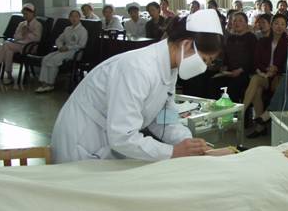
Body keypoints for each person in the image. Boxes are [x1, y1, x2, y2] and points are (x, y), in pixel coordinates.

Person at [51, 9, 225, 163]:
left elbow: (165, 118)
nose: (204, 67)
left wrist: (187, 142)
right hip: (84, 139)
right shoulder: (139, 68)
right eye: (204, 60)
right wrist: (173, 152)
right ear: (186, 45)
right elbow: (122, 136)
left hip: (108, 138)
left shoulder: (170, 68)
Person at [244, 14, 288, 137]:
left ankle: (243, 114)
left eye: (282, 24)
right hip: (263, 75)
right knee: (256, 83)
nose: (279, 26)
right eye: (276, 23)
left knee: (256, 88)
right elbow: (256, 61)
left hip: (277, 77)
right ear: (271, 25)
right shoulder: (262, 41)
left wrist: (276, 69)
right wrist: (264, 71)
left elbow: (287, 64)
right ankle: (257, 123)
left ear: (286, 27)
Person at [35, 10, 88, 93]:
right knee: (46, 58)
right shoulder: (67, 29)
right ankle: (44, 83)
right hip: (64, 50)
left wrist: (68, 47)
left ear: (79, 18)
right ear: (69, 18)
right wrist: (60, 46)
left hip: (75, 52)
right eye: (72, 16)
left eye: (76, 16)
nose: (74, 18)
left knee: (54, 60)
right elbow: (59, 39)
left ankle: (50, 84)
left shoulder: (83, 30)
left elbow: (82, 45)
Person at [213, 12, 257, 102]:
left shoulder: (251, 37)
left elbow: (253, 58)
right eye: (234, 21)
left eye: (240, 21)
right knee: (213, 82)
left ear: (246, 23)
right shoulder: (231, 38)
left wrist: (240, 70)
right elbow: (226, 56)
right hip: (229, 72)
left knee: (233, 87)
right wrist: (224, 66)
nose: (237, 23)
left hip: (244, 72)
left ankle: (234, 110)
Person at [0, 3, 43, 85]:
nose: (25, 16)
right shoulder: (21, 24)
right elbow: (15, 36)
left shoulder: (38, 25)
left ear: (32, 13)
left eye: (27, 14)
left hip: (29, 47)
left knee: (6, 44)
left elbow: (37, 39)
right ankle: (9, 76)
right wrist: (22, 34)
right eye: (24, 14)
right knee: (8, 51)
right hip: (18, 45)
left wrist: (28, 33)